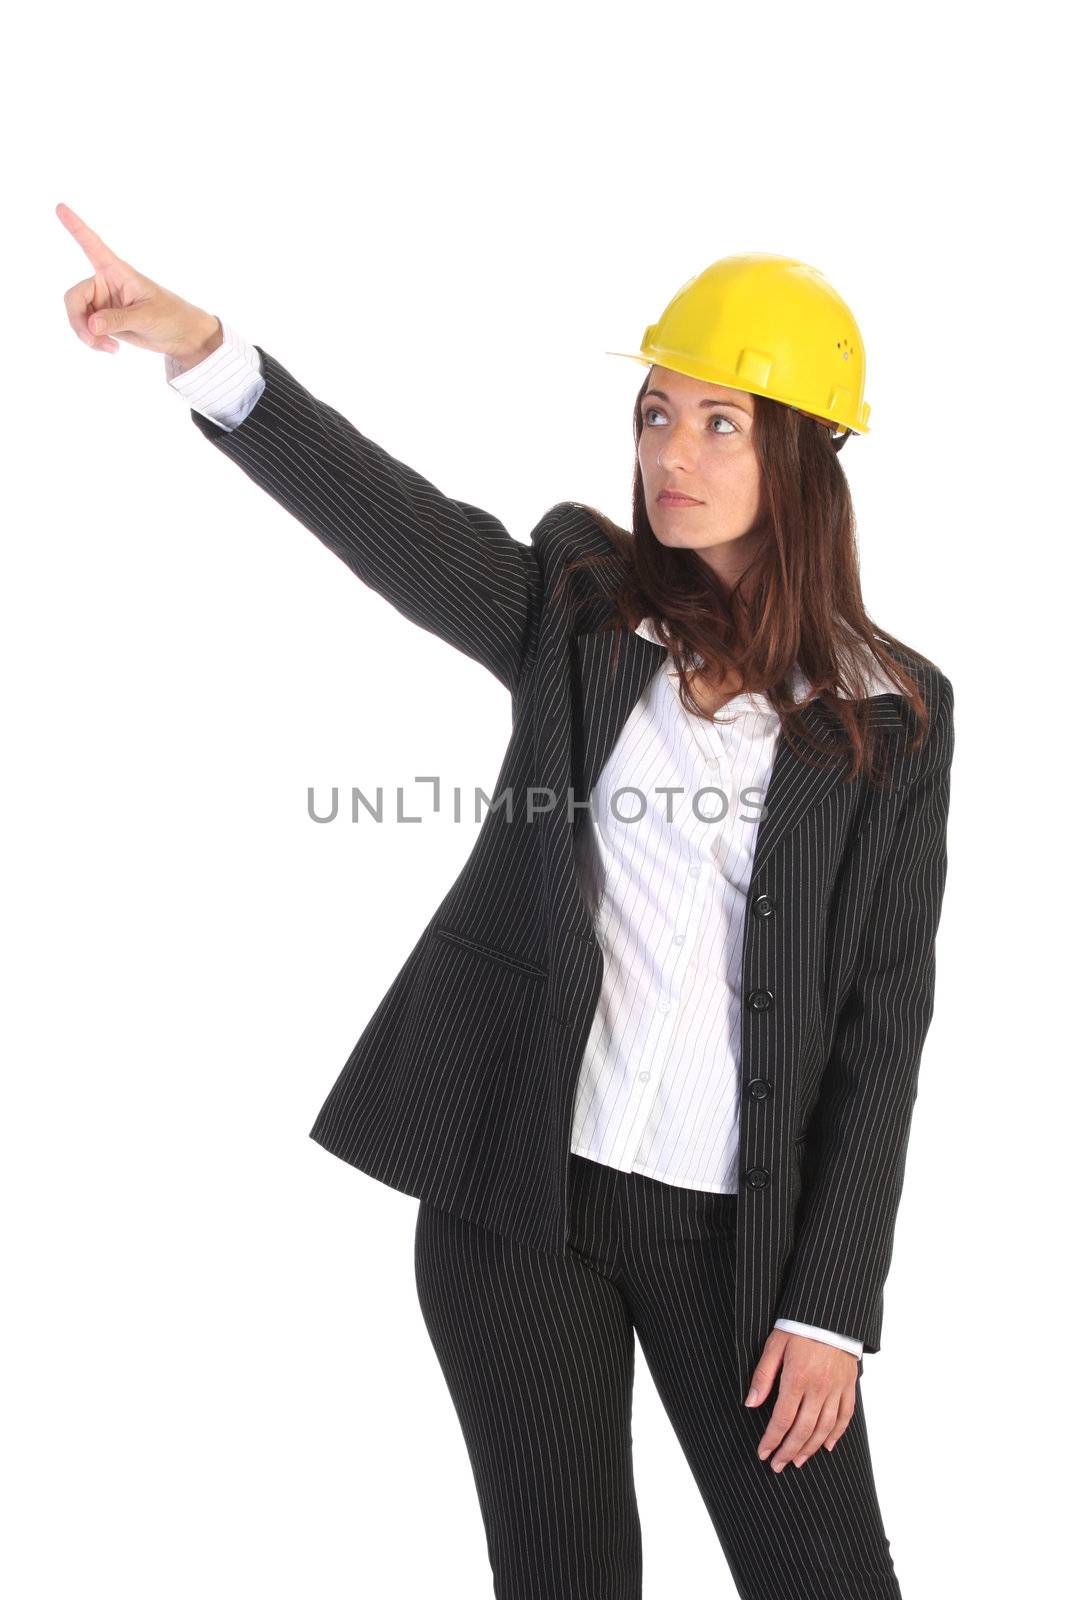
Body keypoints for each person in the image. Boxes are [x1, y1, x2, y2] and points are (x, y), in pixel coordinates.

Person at [58, 208, 954, 1599]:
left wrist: (831, 1305)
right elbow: (395, 526)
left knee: (829, 1578)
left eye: (723, 423)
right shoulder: (583, 609)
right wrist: (207, 354)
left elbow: (881, 1024)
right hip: (517, 1206)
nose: (673, 452)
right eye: (658, 412)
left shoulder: (892, 714)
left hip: (740, 1237)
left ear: (805, 452)